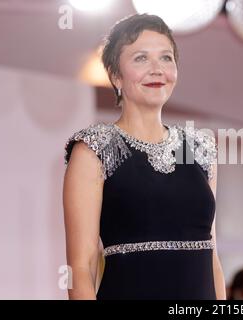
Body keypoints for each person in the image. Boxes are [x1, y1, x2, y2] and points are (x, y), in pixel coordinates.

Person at [63, 13, 225, 300]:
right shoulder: (94, 149)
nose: (157, 69)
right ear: (115, 75)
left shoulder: (200, 148)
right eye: (141, 58)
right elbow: (81, 265)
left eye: (166, 58)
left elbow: (212, 258)